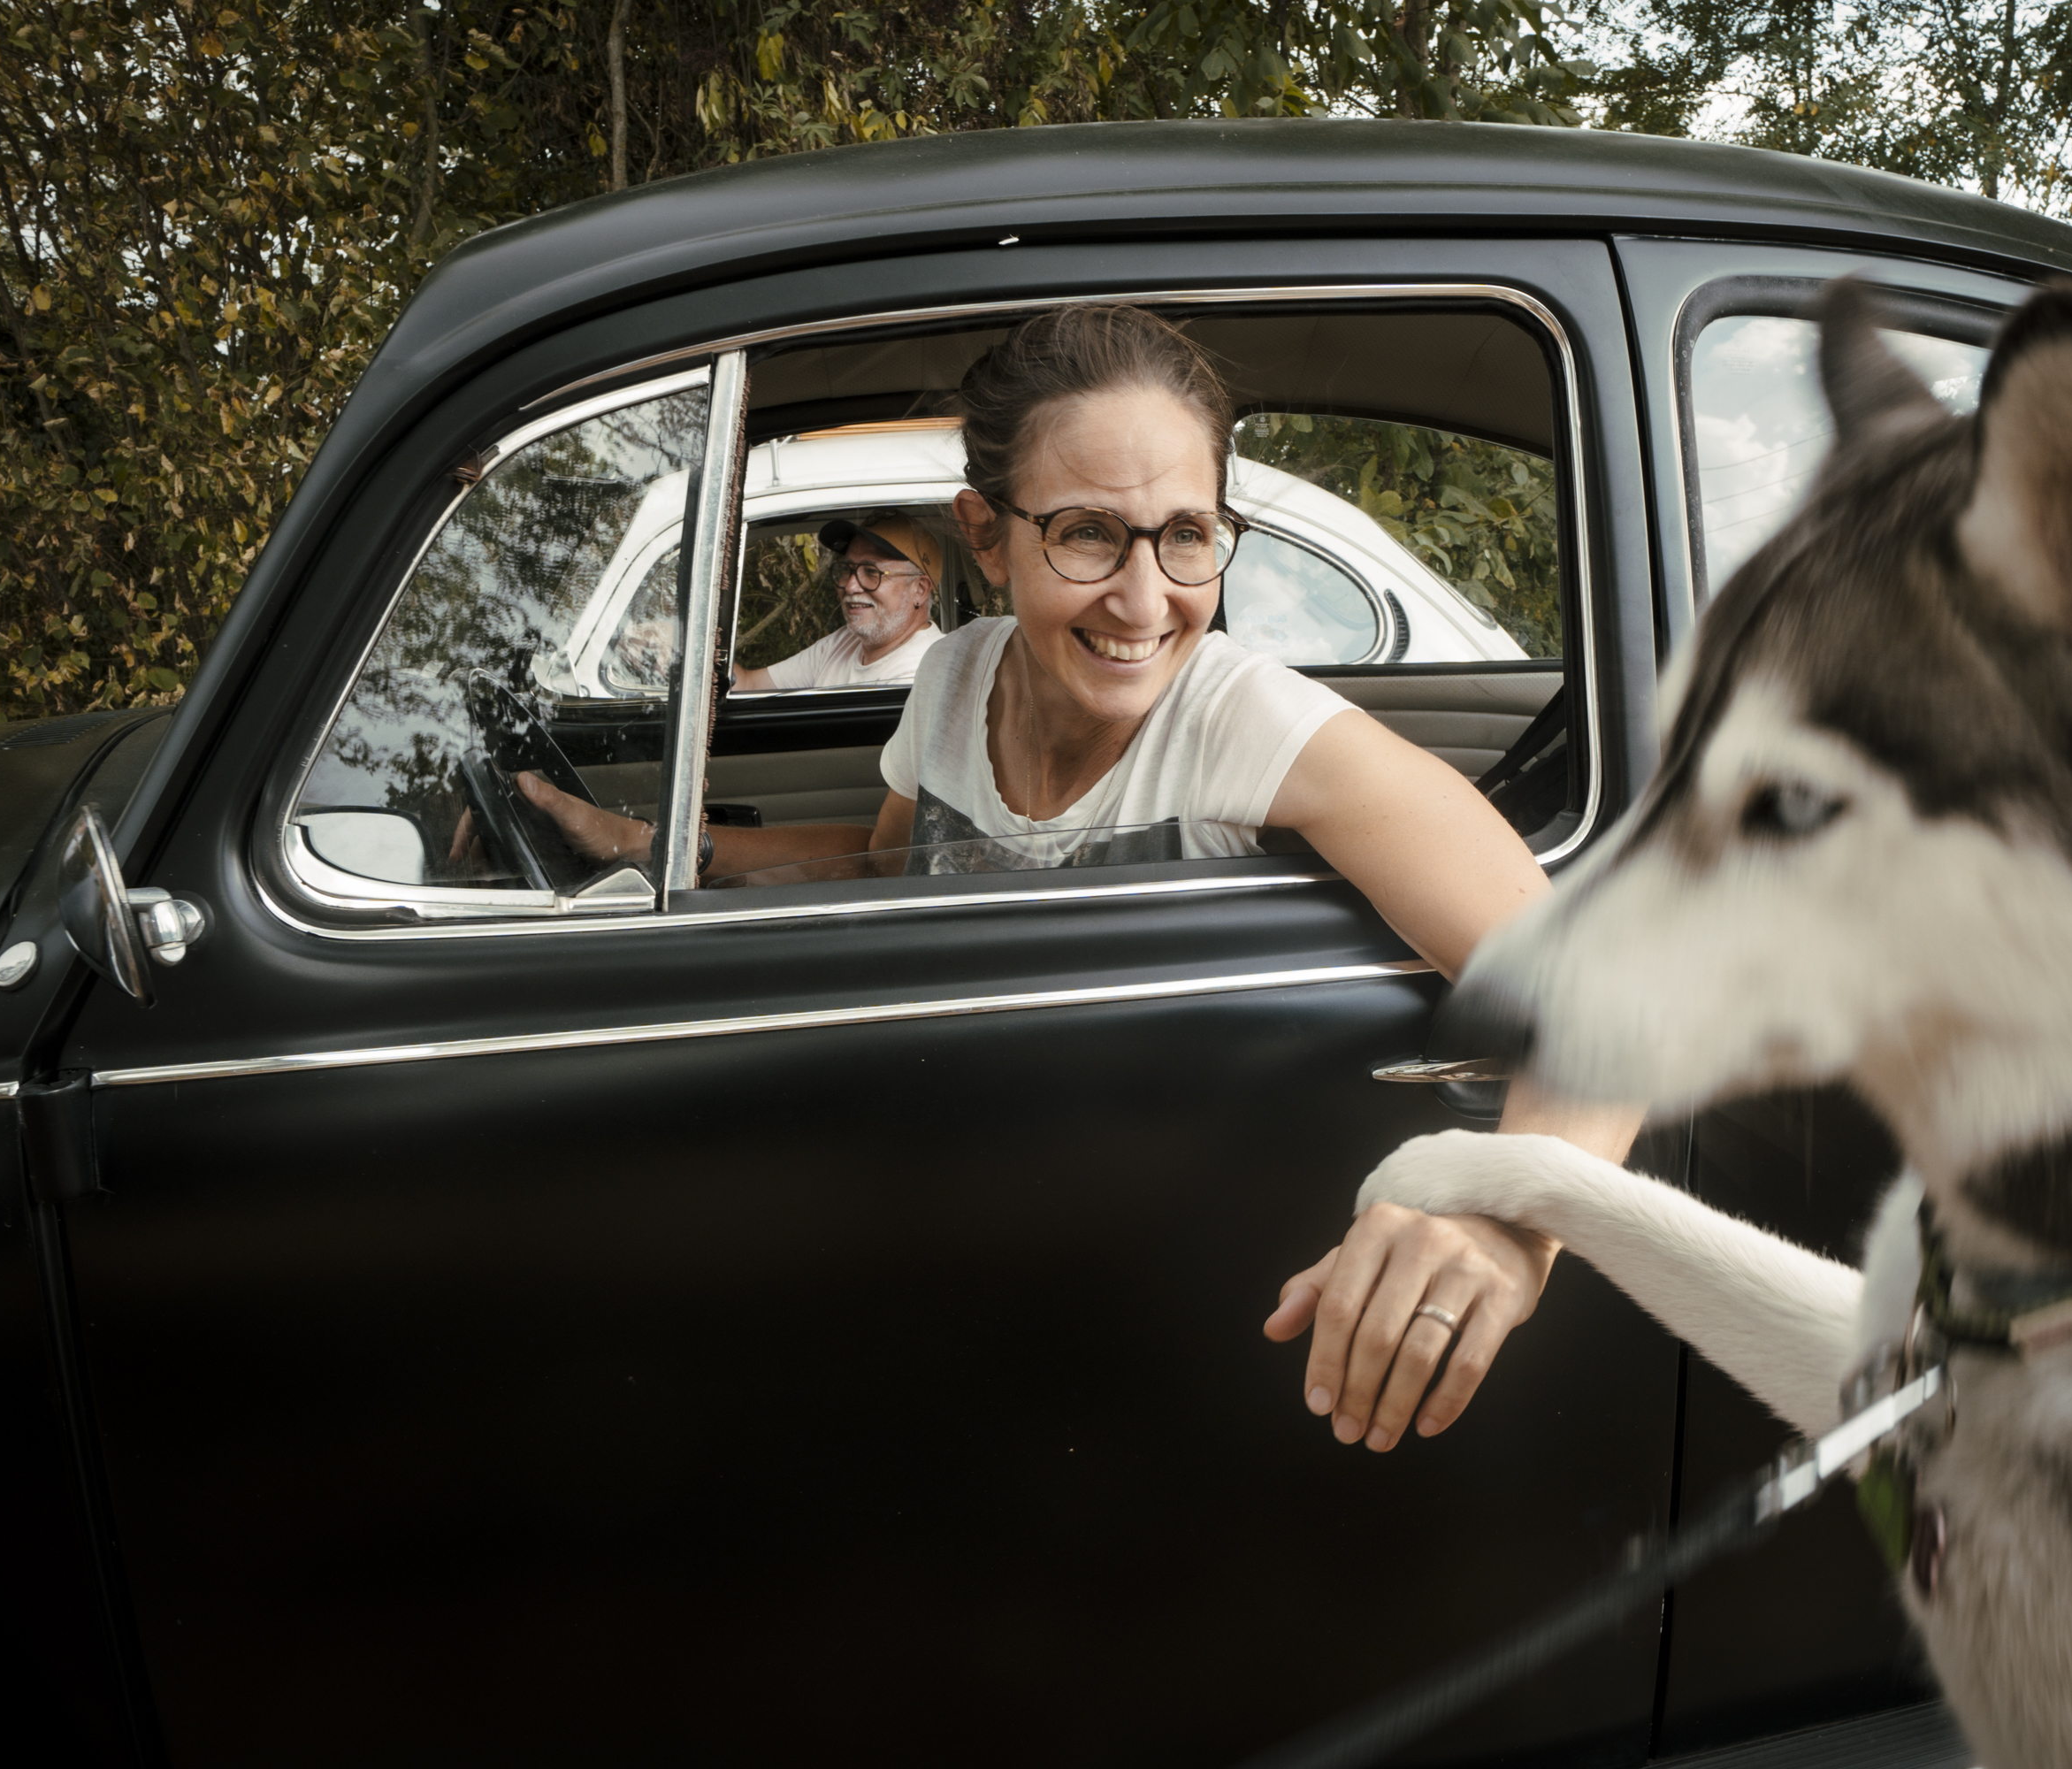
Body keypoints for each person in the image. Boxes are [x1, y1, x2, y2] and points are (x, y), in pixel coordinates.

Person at [509, 308, 1640, 1451]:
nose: (1145, 602)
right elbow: (882, 865)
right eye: (1087, 534)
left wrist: (1510, 1221)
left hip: (1179, 1285)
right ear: (985, 538)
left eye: (1186, 534)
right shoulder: (954, 677)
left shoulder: (1239, 715)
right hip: (962, 1214)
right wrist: (653, 845)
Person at [730, 514, 944, 692]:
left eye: (872, 572)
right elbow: (748, 685)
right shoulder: (844, 643)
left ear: (920, 590)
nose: (850, 586)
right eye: (847, 569)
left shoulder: (924, 672)